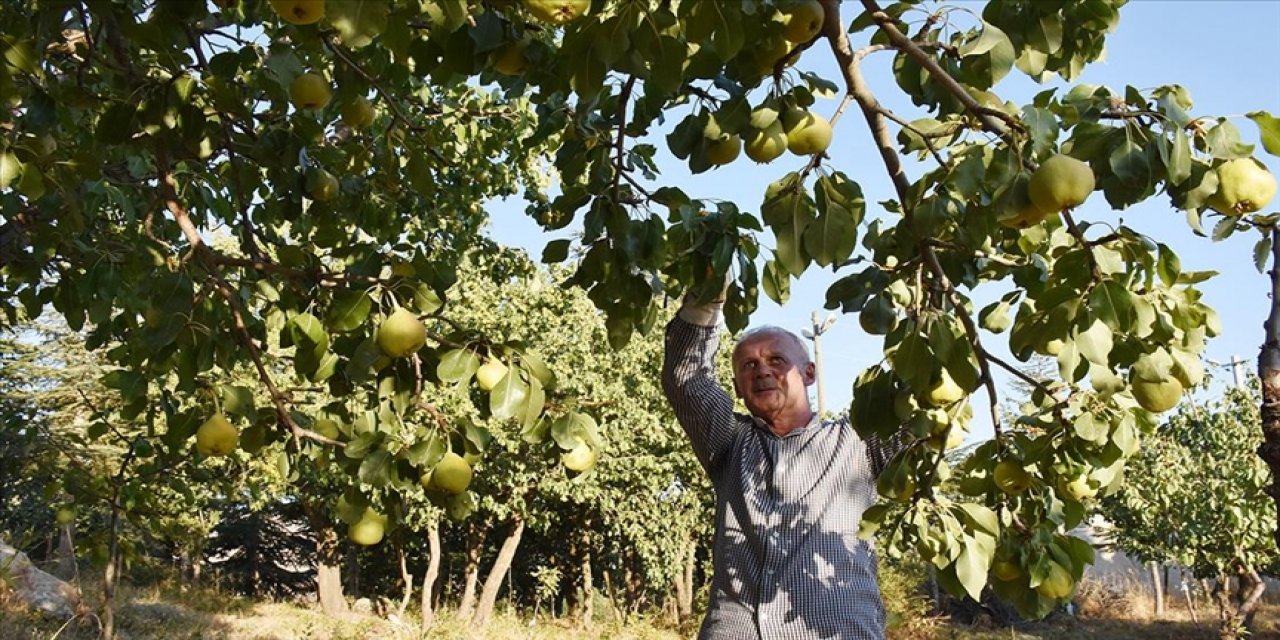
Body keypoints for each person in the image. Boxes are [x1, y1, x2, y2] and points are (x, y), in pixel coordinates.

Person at [661, 290, 901, 640]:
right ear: (738, 388)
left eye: (776, 360)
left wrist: (925, 307)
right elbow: (687, 380)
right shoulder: (728, 442)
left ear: (808, 373)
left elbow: (921, 407)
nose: (762, 371)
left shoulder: (858, 439)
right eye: (749, 365)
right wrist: (705, 302)